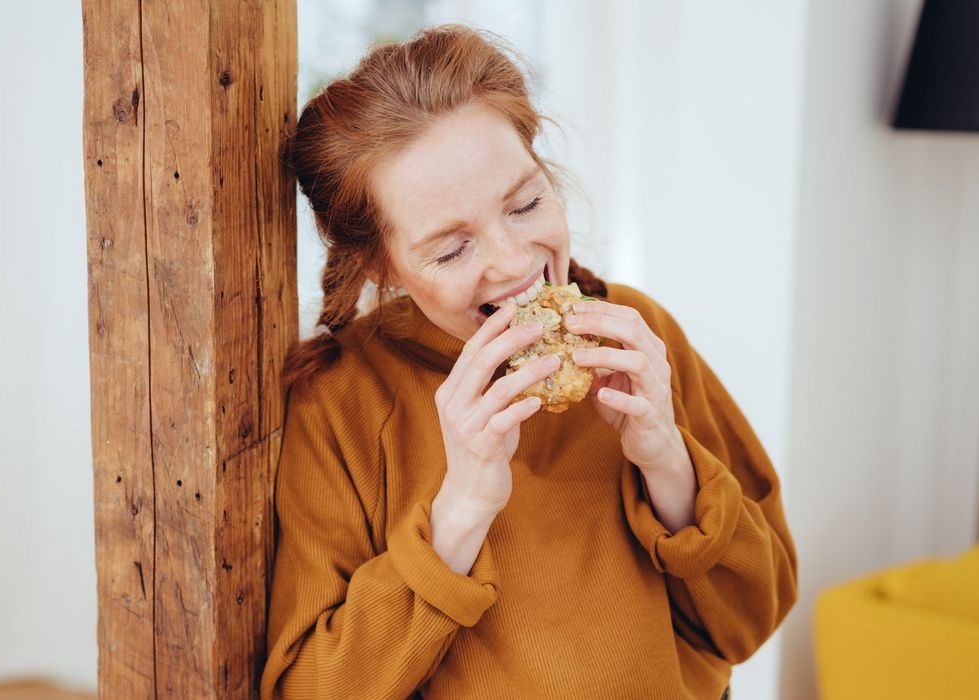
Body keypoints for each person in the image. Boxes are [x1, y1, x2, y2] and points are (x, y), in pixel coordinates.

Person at [262, 24, 796, 700]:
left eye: (525, 203)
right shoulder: (339, 401)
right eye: (451, 250)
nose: (515, 264)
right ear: (378, 263)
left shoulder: (637, 333)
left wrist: (666, 461)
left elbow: (750, 623)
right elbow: (309, 690)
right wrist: (460, 510)